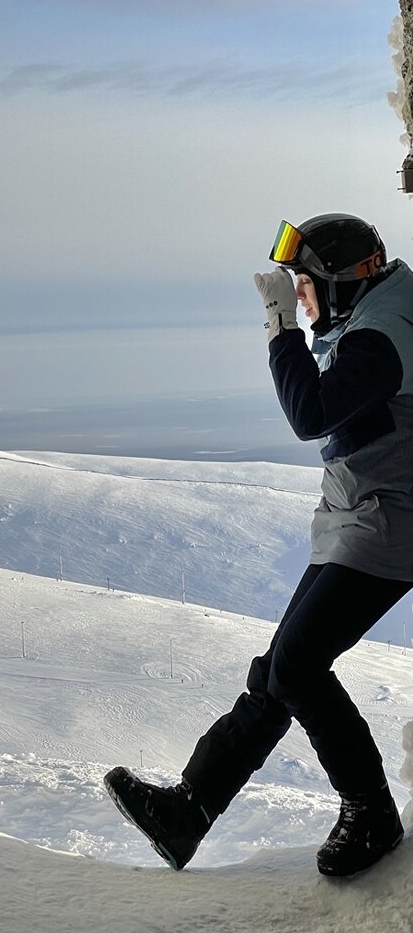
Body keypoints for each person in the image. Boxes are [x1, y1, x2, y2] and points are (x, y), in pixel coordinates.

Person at [104, 213, 413, 878]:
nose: (298, 296)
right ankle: (190, 809)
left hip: (391, 527)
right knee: (276, 669)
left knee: (297, 667)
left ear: (335, 284)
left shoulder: (383, 336)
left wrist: (280, 331)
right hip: (360, 519)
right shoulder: (377, 314)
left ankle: (371, 815)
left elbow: (309, 415)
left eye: (304, 284)